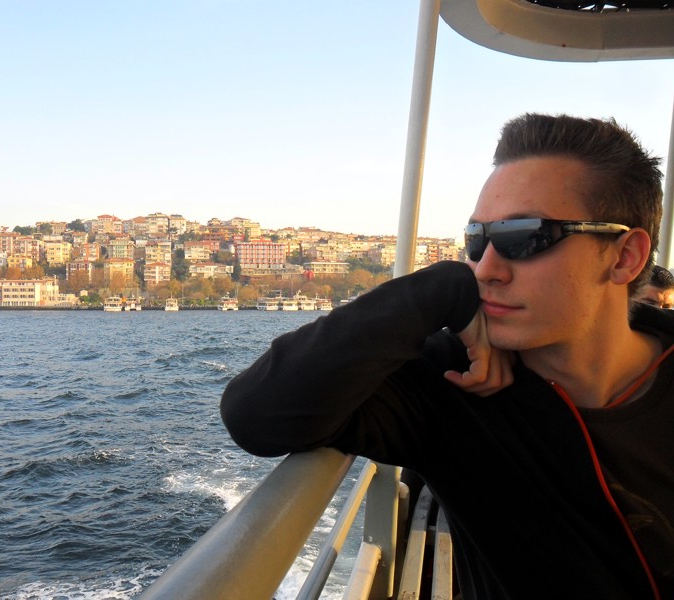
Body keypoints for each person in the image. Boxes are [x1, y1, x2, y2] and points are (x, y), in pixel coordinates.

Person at [221, 113, 674, 599]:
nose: (486, 268)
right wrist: (438, 291)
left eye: (525, 236)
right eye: (476, 240)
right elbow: (258, 415)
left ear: (625, 256)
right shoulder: (451, 385)